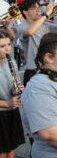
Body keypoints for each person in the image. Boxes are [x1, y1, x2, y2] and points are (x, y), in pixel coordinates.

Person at [18, 0, 57, 86]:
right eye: (34, 8)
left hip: (48, 67)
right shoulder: (21, 26)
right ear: (25, 12)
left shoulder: (44, 24)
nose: (38, 10)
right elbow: (30, 32)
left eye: (39, 7)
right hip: (33, 70)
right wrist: (46, 14)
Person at [0, 30, 25, 158]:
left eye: (8, 45)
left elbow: (13, 86)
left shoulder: (11, 62)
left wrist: (16, 89)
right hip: (1, 112)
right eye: (2, 46)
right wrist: (7, 103)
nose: (7, 49)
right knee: (2, 152)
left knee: (12, 150)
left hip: (12, 111)